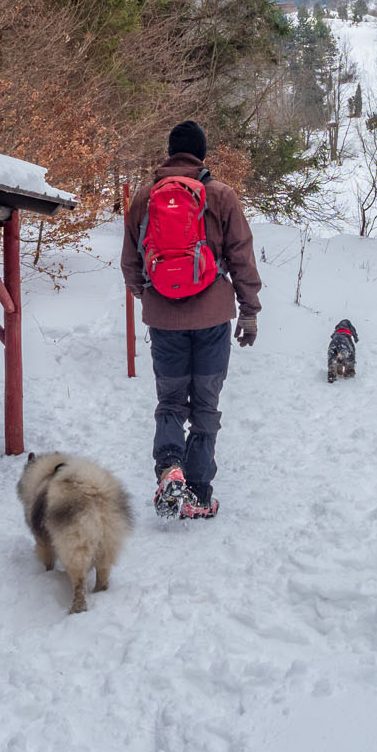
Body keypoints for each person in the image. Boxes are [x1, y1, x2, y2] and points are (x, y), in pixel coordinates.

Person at [121, 119, 261, 520]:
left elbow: (131, 263)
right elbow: (241, 257)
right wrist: (249, 310)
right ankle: (198, 494)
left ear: (169, 152)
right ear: (201, 154)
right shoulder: (220, 195)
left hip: (163, 320)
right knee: (205, 404)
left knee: (169, 401)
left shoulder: (145, 198)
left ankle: (169, 469)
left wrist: (149, 296)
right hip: (212, 317)